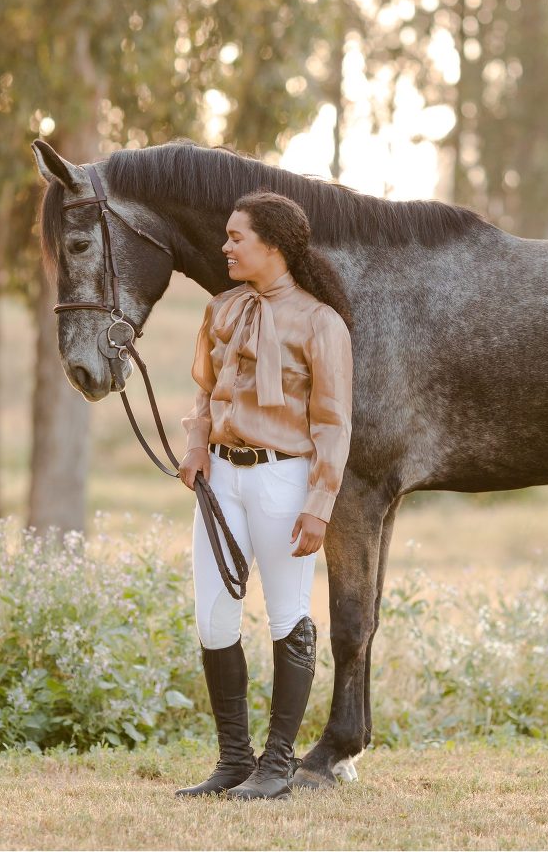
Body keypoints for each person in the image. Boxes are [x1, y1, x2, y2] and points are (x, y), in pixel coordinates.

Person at [175, 190, 353, 801]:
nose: (224, 247)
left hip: (285, 479)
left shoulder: (321, 323)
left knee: (287, 616)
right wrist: (196, 445)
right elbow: (205, 393)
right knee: (213, 618)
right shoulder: (222, 309)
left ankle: (277, 765)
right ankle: (234, 760)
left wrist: (319, 503)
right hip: (222, 477)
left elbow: (333, 423)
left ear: (273, 246)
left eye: (236, 238)